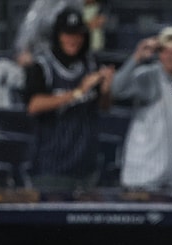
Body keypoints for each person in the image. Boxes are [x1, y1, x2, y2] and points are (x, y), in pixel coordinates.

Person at [24, 6, 114, 193]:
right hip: (51, 164)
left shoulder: (91, 63)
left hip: (86, 164)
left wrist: (106, 90)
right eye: (67, 34)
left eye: (77, 34)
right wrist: (77, 92)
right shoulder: (42, 65)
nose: (73, 40)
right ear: (58, 35)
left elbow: (104, 107)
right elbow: (33, 106)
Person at [111, 26, 172, 192]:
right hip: (144, 167)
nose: (169, 57)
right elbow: (116, 89)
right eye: (165, 51)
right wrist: (137, 56)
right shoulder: (148, 75)